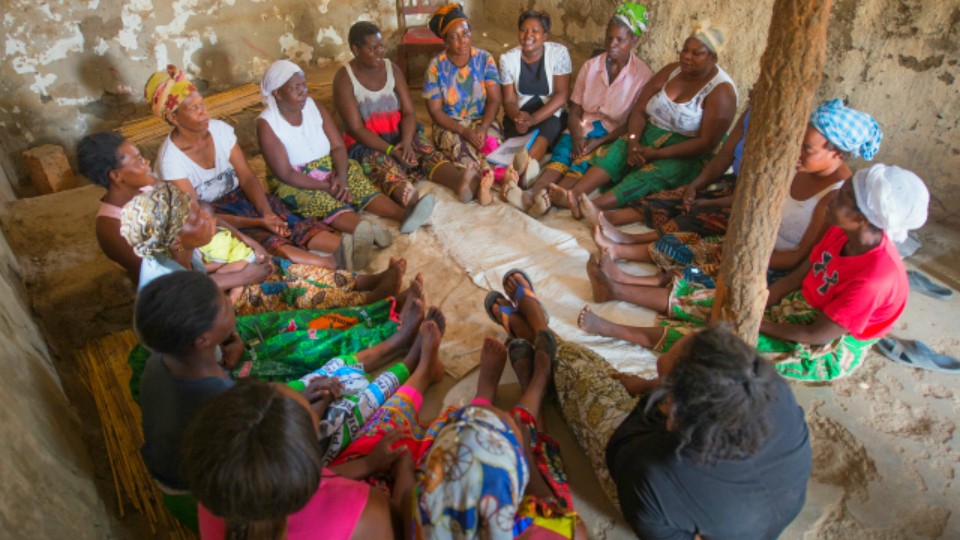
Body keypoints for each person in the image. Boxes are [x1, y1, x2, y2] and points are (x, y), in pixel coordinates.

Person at [136, 271, 431, 530]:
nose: (229, 302)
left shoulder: (165, 359)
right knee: (345, 410)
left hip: (220, 467)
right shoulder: (219, 404)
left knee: (321, 380)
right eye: (223, 303)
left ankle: (396, 345)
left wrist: (303, 396)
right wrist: (316, 412)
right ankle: (414, 367)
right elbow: (281, 462)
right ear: (202, 339)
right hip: (223, 487)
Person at [579, 163, 930, 381]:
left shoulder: (875, 278)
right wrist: (757, 303)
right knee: (722, 302)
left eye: (846, 196)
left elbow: (818, 334)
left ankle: (623, 332)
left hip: (824, 345)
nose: (836, 197)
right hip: (801, 304)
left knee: (719, 341)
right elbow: (799, 277)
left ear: (865, 217)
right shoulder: (842, 231)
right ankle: (617, 291)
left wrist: (756, 324)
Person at [554, 324, 812, 539]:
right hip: (770, 512)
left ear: (672, 415)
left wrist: (648, 398)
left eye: (662, 391)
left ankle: (547, 344)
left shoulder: (656, 473)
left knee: (584, 383)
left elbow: (621, 453)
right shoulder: (769, 386)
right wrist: (648, 385)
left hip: (644, 473)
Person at [589, 99, 883, 284]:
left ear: (838, 154)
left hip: (769, 260)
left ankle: (624, 284)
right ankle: (621, 249)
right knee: (689, 241)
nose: (798, 152)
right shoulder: (798, 167)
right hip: (753, 240)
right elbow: (756, 199)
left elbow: (798, 259)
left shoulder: (836, 196)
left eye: (806, 148)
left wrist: (740, 251)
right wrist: (704, 200)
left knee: (701, 265)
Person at [147, 65, 344, 268]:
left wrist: (266, 213)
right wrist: (259, 222)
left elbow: (248, 177)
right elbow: (201, 216)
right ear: (173, 118)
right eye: (194, 108)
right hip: (216, 217)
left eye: (202, 105)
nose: (204, 113)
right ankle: (328, 263)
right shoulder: (171, 161)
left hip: (242, 197)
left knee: (287, 220)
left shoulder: (220, 131)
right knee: (265, 241)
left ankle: (345, 249)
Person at [120, 182, 402, 314]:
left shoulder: (179, 249)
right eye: (197, 217)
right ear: (176, 239)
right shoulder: (166, 278)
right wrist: (245, 276)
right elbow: (202, 288)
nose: (209, 218)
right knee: (291, 292)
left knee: (287, 269)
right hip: (217, 315)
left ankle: (365, 281)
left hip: (224, 287)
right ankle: (364, 300)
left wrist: (245, 265)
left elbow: (206, 273)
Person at [550, 22, 737, 217]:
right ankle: (574, 194)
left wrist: (656, 154)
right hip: (649, 133)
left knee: (654, 174)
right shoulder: (672, 70)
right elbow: (639, 109)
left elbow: (706, 143)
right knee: (617, 151)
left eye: (696, 53)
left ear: (713, 58)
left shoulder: (722, 92)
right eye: (685, 50)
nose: (687, 57)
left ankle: (593, 206)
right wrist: (633, 142)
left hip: (685, 151)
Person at [183, 380, 408, 539]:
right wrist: (406, 472)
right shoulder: (367, 512)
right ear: (310, 463)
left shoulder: (220, 493)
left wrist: (367, 464)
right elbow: (409, 528)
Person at [259, 60, 435, 239]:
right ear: (278, 93)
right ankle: (369, 232)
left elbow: (337, 146)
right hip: (297, 180)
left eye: (304, 85)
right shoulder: (267, 124)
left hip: (328, 167)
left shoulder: (314, 106)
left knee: (354, 177)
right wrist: (326, 186)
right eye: (295, 88)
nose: (303, 92)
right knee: (318, 200)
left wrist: (341, 178)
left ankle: (402, 215)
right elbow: (286, 174)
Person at [518, 3, 653, 217]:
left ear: (634, 41)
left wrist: (597, 142)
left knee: (581, 162)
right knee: (563, 154)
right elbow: (574, 109)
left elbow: (631, 122)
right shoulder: (591, 66)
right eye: (609, 38)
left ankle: (551, 199)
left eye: (620, 40)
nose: (612, 44)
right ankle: (532, 193)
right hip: (581, 126)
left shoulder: (643, 76)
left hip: (610, 134)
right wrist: (578, 135)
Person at [333, 22, 474, 211]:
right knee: (382, 165)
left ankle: (460, 182)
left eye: (381, 46)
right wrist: (392, 150)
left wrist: (406, 143)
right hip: (368, 143)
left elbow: (408, 112)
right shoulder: (345, 79)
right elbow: (357, 129)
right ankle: (408, 197)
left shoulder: (392, 69)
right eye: (372, 48)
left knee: (425, 150)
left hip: (399, 134)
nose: (380, 52)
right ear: (355, 49)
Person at [422, 3, 502, 203]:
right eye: (455, 37)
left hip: (481, 120)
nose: (462, 40)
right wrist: (463, 131)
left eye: (466, 33)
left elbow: (494, 99)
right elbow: (435, 111)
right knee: (461, 150)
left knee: (492, 146)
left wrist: (483, 127)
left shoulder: (485, 59)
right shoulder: (436, 66)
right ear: (445, 40)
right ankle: (473, 184)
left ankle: (484, 182)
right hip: (450, 123)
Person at [498, 10, 572, 182]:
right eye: (523, 30)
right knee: (516, 137)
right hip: (520, 113)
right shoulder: (507, 59)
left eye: (535, 31)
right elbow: (508, 100)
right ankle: (521, 170)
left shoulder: (558, 54)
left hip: (549, 112)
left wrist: (533, 119)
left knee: (546, 131)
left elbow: (561, 96)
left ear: (545, 35)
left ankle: (522, 172)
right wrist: (518, 116)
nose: (528, 35)